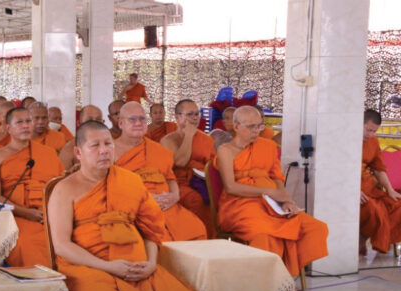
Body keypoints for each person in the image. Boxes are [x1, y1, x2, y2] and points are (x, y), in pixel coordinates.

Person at [48, 121, 209, 291]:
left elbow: (151, 230)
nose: (103, 151)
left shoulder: (130, 180)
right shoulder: (65, 189)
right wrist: (108, 267)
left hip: (137, 264)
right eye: (94, 145)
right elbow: (62, 245)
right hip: (86, 268)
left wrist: (151, 263)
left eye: (108, 144)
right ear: (78, 152)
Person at [216, 106, 329, 276]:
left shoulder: (267, 146)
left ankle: (285, 272)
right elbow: (231, 187)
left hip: (272, 203)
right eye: (251, 127)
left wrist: (286, 200)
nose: (257, 131)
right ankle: (264, 280)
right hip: (240, 205)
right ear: (237, 126)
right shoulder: (226, 151)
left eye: (260, 126)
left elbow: (276, 178)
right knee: (264, 236)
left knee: (316, 227)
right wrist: (268, 192)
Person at [114, 102, 207, 241]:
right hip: (133, 207)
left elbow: (169, 178)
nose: (138, 123)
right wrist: (143, 199)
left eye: (142, 119)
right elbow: (108, 186)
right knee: (160, 237)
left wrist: (174, 196)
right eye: (132, 119)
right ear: (121, 123)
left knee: (196, 229)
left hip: (165, 205)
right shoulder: (109, 151)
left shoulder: (156, 149)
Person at [0, 107, 64, 267]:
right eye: (19, 122)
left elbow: (60, 186)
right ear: (8, 128)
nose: (26, 126)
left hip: (48, 214)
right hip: (14, 215)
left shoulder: (47, 153)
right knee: (27, 243)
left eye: (28, 121)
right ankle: (41, 285)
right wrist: (27, 213)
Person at [161, 99, 216, 237]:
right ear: (177, 117)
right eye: (190, 114)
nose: (195, 118)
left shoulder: (207, 140)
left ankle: (213, 239)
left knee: (217, 197)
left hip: (203, 182)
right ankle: (198, 237)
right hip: (177, 184)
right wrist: (189, 136)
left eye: (197, 114)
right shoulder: (168, 140)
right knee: (195, 199)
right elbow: (180, 162)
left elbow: (214, 165)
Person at [359, 109, 401, 255]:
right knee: (373, 209)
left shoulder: (373, 142)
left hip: (371, 187)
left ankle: (364, 237)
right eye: (368, 130)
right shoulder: (346, 139)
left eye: (374, 131)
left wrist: (390, 190)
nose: (370, 134)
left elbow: (379, 169)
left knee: (397, 204)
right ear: (359, 123)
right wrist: (351, 190)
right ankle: (361, 239)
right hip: (353, 189)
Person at [59, 105, 103, 170]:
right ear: (79, 124)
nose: (94, 123)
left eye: (98, 120)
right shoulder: (69, 149)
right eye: (89, 120)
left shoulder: (111, 145)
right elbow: (62, 177)